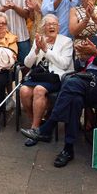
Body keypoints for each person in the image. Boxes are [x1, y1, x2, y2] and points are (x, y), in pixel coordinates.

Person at [21, 10, 97, 168]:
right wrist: (83, 59)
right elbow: (81, 65)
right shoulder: (96, 39)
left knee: (71, 84)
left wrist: (96, 55)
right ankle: (67, 149)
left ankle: (47, 127)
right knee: (74, 99)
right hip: (86, 81)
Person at [20, 15, 74, 146]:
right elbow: (27, 63)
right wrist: (37, 49)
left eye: (54, 24)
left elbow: (64, 64)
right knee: (24, 90)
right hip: (40, 76)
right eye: (48, 24)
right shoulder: (39, 40)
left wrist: (46, 50)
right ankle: (39, 127)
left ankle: (34, 130)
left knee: (39, 90)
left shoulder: (66, 41)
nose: (51, 26)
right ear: (43, 28)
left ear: (59, 27)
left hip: (56, 77)